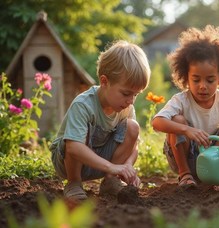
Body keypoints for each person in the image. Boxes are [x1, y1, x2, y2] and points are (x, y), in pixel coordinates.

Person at [50, 40, 151, 200]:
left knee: (133, 127)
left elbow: (134, 146)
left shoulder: (126, 107)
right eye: (126, 93)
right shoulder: (84, 104)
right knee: (73, 141)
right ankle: (73, 183)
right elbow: (74, 148)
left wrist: (126, 167)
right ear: (104, 82)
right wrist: (112, 167)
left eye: (136, 95)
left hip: (102, 163)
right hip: (69, 161)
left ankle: (111, 182)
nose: (131, 101)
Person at [152, 25, 219, 188]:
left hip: (212, 155)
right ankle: (185, 175)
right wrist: (187, 130)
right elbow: (156, 122)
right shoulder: (181, 100)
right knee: (177, 120)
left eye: (210, 80)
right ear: (186, 77)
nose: (203, 86)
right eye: (196, 80)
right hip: (184, 157)